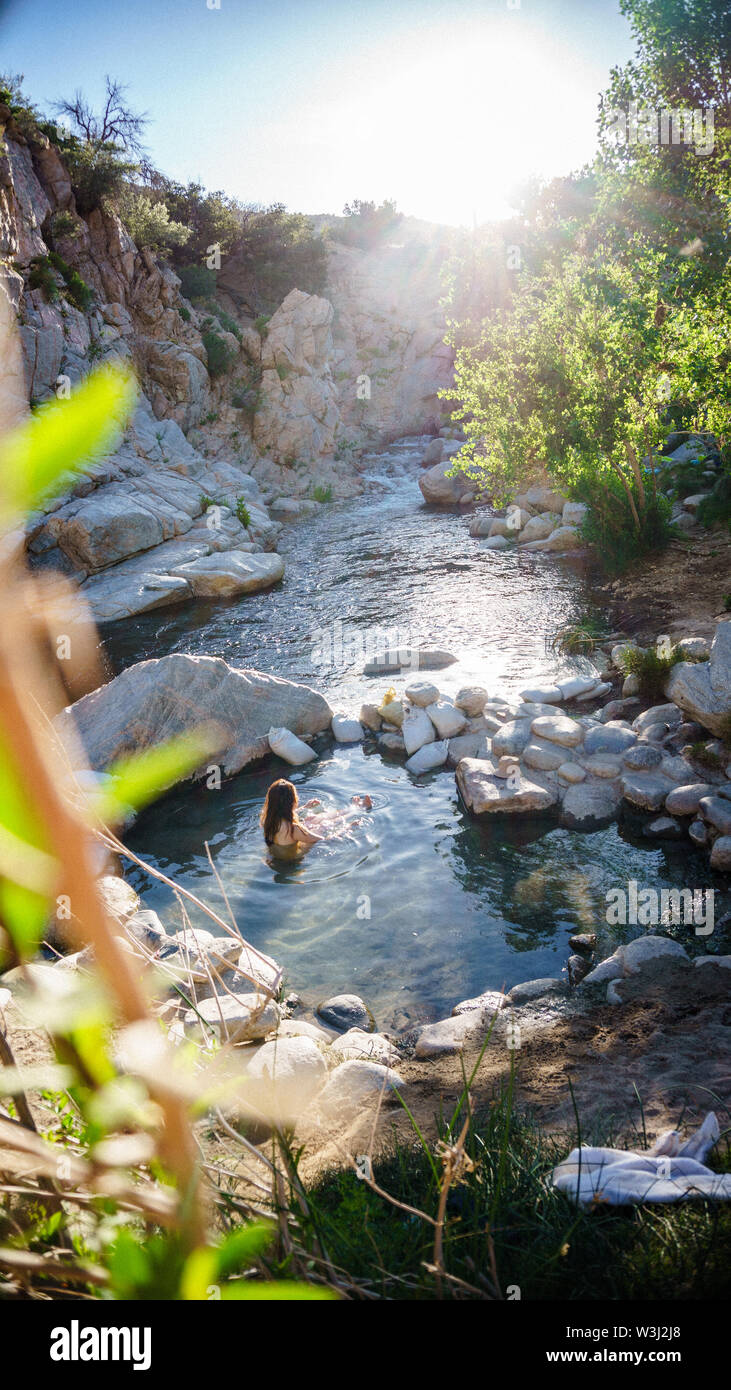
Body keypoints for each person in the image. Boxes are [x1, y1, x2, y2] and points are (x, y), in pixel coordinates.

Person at [260, 779, 372, 858]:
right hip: (293, 857)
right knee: (324, 824)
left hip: (281, 851)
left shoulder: (268, 818)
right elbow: (326, 840)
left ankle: (354, 808)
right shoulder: (292, 829)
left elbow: (286, 814)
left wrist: (305, 807)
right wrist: (348, 828)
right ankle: (360, 809)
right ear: (292, 801)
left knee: (312, 818)